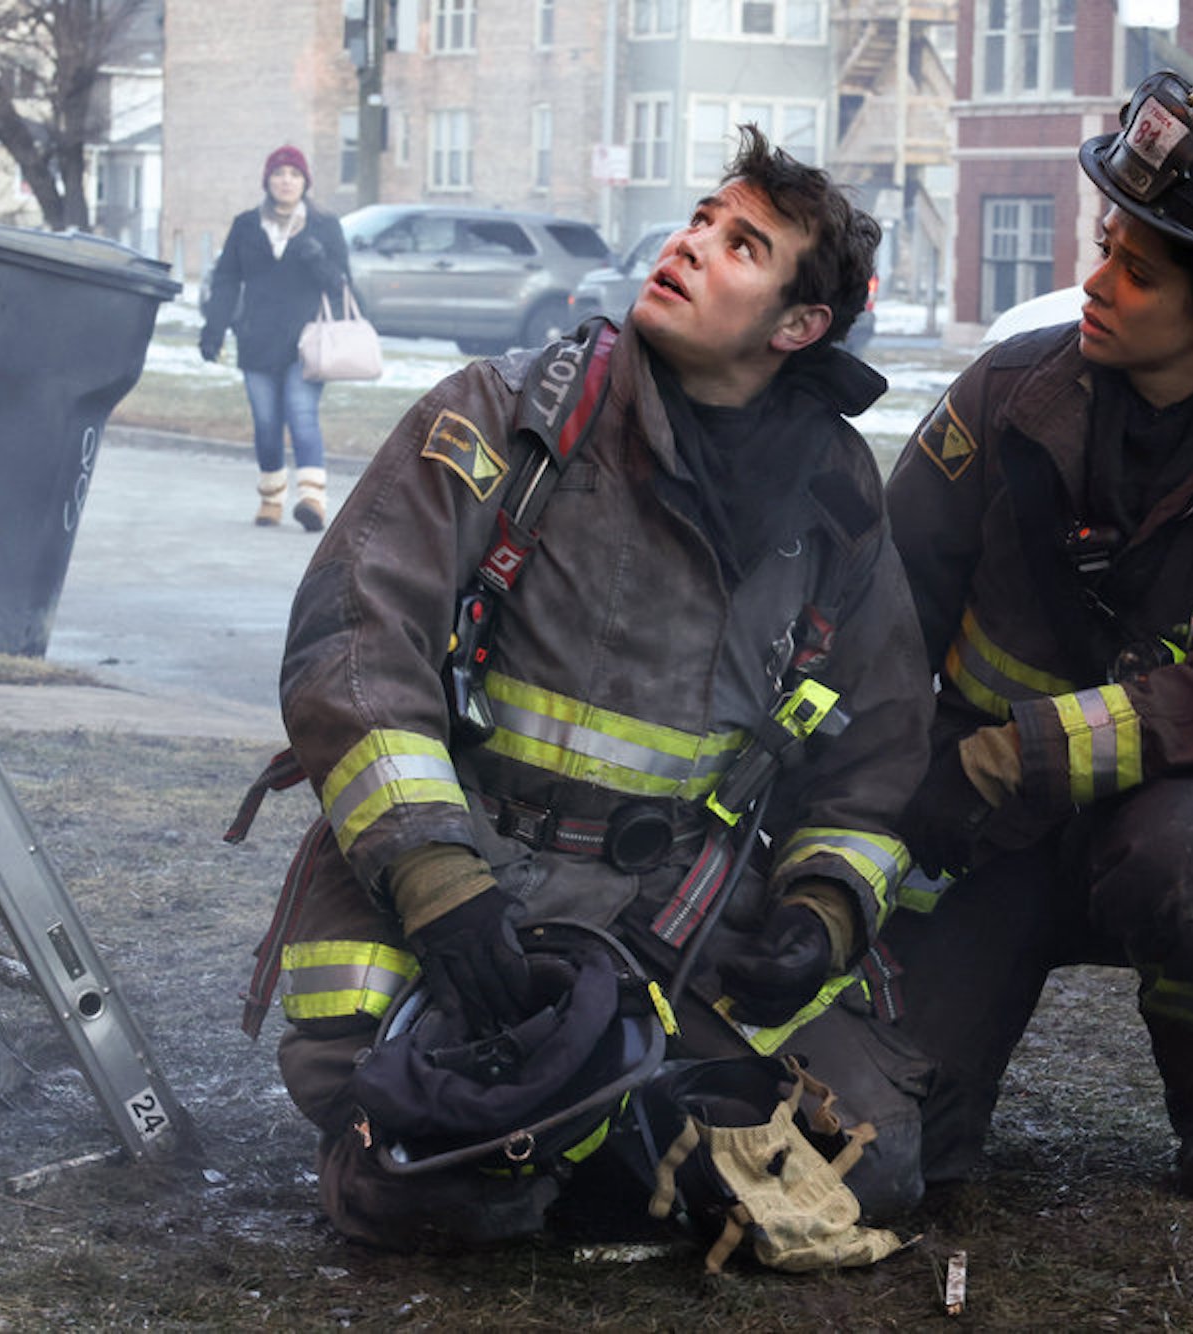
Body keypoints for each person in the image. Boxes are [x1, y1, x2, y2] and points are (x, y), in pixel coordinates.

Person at [245, 127, 933, 1251]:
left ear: (797, 325)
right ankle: (519, 1149)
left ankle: (591, 1130)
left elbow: (877, 752)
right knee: (439, 1167)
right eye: (701, 217)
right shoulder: (505, 416)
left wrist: (818, 911)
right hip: (468, 878)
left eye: (740, 243)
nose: (690, 242)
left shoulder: (834, 501)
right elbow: (352, 646)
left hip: (671, 906)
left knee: (875, 1154)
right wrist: (435, 876)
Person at [883, 72, 1193, 1201]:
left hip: (1162, 821)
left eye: (1135, 270)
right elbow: (884, 604)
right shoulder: (1007, 393)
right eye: (1104, 243)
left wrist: (1022, 747)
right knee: (899, 1157)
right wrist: (872, 789)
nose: (1093, 282)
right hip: (979, 825)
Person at [199, 145, 350, 531]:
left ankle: (313, 500)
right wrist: (214, 329)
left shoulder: (325, 226)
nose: (286, 181)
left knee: (301, 416)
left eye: (294, 175)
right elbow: (227, 280)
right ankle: (271, 496)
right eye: (279, 174)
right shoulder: (246, 225)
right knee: (266, 424)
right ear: (268, 180)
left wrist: (318, 259)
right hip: (257, 339)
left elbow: (341, 284)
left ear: (305, 183)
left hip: (308, 343)